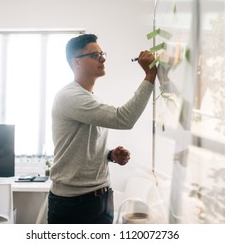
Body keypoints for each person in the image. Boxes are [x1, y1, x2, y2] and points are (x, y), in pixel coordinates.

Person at [48, 33, 157, 224]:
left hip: (102, 197)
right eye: (95, 55)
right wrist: (149, 76)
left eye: (102, 53)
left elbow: (82, 145)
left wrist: (109, 154)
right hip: (75, 203)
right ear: (77, 62)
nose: (103, 58)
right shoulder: (70, 97)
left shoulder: (92, 98)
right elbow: (124, 119)